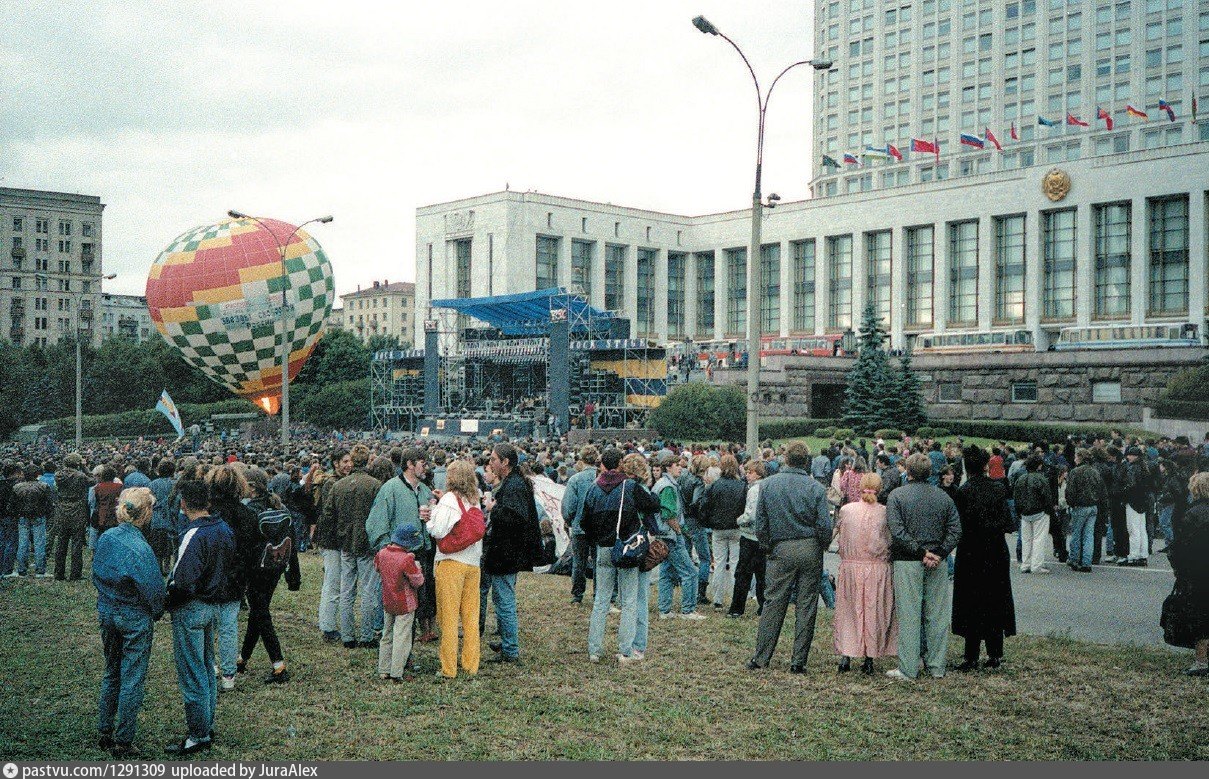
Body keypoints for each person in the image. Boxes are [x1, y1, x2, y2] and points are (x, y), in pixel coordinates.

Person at [92, 487, 166, 759]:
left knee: (112, 670)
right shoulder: (141, 548)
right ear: (146, 514)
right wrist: (156, 611)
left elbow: (96, 572)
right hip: (133, 615)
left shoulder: (107, 537)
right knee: (132, 677)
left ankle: (104, 730)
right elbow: (154, 591)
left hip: (108, 610)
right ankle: (123, 740)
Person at [746, 441, 832, 673]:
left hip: (780, 548)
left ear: (785, 459)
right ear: (806, 462)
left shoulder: (769, 485)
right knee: (806, 604)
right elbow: (825, 524)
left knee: (774, 602)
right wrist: (822, 545)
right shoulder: (814, 487)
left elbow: (761, 522)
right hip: (809, 547)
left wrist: (767, 546)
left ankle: (761, 657)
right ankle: (798, 661)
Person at [164, 476, 234, 756]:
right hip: (213, 604)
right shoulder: (223, 528)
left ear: (183, 503)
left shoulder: (194, 534)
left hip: (192, 606)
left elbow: (182, 580)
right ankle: (206, 724)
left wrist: (166, 602)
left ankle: (198, 733)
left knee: (193, 673)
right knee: (206, 668)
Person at [580, 447, 661, 663]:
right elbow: (654, 505)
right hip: (627, 547)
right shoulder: (630, 486)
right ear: (620, 465)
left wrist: (596, 538)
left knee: (601, 600)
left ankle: (594, 650)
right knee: (629, 600)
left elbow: (583, 522)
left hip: (603, 548)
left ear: (603, 465)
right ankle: (625, 649)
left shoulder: (593, 488)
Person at [885, 453, 962, 681]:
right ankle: (937, 665)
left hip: (908, 560)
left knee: (909, 614)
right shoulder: (943, 497)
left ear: (907, 472)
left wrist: (921, 552)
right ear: (930, 473)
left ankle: (908, 667)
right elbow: (955, 530)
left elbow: (897, 532)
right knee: (936, 615)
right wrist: (937, 552)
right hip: (936, 561)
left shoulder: (897, 496)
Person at [951, 446, 1016, 671]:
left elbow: (957, 525)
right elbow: (1009, 523)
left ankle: (971, 654)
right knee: (994, 599)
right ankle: (995, 653)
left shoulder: (963, 492)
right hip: (995, 550)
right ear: (986, 465)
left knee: (971, 600)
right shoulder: (998, 490)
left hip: (970, 551)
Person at [481, 443, 543, 664]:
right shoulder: (514, 482)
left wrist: (493, 509)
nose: (490, 464)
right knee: (502, 598)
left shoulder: (514, 485)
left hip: (506, 552)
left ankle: (510, 649)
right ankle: (508, 641)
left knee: (504, 600)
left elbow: (516, 518)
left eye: (494, 460)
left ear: (505, 462)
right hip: (507, 551)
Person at [238, 467, 301, 684]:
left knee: (261, 615)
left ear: (252, 487)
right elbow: (291, 541)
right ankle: (243, 658)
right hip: (275, 567)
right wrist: (294, 572)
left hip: (255, 570)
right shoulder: (279, 507)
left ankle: (278, 665)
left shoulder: (249, 512)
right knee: (258, 613)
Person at [367, 446, 435, 642]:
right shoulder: (390, 488)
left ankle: (406, 652)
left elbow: (431, 521)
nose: (426, 468)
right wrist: (389, 550)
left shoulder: (424, 490)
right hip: (398, 556)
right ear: (410, 465)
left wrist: (431, 516)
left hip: (420, 554)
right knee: (399, 608)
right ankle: (397, 656)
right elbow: (376, 522)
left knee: (416, 605)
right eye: (423, 464)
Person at [832, 471, 896, 675]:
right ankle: (869, 657)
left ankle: (846, 656)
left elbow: (838, 537)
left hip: (852, 567)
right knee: (873, 610)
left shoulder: (846, 510)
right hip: (876, 568)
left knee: (849, 610)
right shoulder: (885, 512)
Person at [427, 459, 484, 679]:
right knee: (470, 617)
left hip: (451, 563)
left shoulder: (449, 500)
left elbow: (438, 530)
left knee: (448, 617)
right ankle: (471, 664)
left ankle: (448, 667)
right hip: (472, 563)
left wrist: (430, 518)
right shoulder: (474, 499)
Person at [323, 444, 383, 649]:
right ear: (367, 461)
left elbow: (329, 514)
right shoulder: (375, 485)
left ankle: (348, 635)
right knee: (368, 591)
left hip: (346, 543)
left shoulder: (338, 486)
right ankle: (366, 635)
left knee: (347, 591)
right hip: (366, 544)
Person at [205, 464, 256, 691]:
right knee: (228, 625)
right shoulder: (247, 514)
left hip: (209, 575)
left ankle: (212, 666)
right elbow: (250, 550)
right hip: (235, 575)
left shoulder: (207, 513)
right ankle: (228, 674)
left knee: (208, 625)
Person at [1164, 473, 1209, 676]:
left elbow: (1181, 546)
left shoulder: (1194, 513)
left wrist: (1178, 568)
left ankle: (1201, 662)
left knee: (1200, 617)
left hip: (1198, 571)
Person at [652, 452, 704, 621]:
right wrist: (679, 531)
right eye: (678, 465)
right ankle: (688, 610)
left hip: (662, 535)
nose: (681, 468)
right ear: (669, 467)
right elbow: (668, 514)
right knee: (690, 572)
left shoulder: (662, 483)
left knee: (666, 573)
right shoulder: (668, 486)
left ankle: (664, 610)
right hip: (671, 535)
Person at [374, 525, 426, 681]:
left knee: (387, 634)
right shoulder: (407, 559)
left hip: (388, 600)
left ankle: (383, 669)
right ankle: (397, 671)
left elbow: (377, 568)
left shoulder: (381, 553)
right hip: (405, 603)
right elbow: (418, 582)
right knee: (401, 637)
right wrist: (419, 569)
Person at [698, 454, 746, 611]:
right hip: (736, 527)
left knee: (718, 563)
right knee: (734, 564)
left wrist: (708, 523)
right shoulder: (742, 486)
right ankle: (734, 597)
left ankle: (717, 598)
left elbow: (704, 507)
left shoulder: (714, 486)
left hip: (718, 528)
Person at [314, 448, 351, 643]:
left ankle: (328, 623)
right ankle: (328, 626)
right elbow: (331, 514)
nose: (348, 465)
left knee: (336, 582)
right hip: (331, 540)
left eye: (350, 461)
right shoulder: (331, 483)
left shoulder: (338, 482)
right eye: (344, 461)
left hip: (336, 539)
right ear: (336, 463)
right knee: (333, 582)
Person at [561, 445, 600, 605]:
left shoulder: (575, 480)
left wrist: (568, 520)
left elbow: (569, 506)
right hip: (598, 526)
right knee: (599, 562)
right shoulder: (601, 478)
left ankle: (578, 594)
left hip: (579, 526)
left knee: (579, 562)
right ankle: (599, 593)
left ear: (581, 460)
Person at [728, 459, 767, 618]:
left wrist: (738, 520)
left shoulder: (754, 490)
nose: (747, 475)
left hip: (750, 535)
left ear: (757, 474)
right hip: (763, 537)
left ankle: (737, 608)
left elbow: (750, 515)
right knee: (762, 574)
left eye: (750, 472)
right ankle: (763, 606)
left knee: (743, 573)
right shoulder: (767, 487)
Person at [1065, 449, 1107, 573]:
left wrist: (1071, 503)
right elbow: (1102, 491)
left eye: (1076, 457)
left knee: (1076, 533)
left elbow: (1070, 491)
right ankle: (1087, 562)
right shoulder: (1095, 472)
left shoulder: (1075, 472)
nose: (1074, 459)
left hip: (1080, 505)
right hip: (1093, 506)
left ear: (1080, 458)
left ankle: (1074, 559)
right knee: (1089, 535)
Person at [53, 452, 92, 581]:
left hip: (62, 508)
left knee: (61, 543)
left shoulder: (58, 475)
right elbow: (93, 480)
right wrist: (85, 467)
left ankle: (59, 573)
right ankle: (75, 574)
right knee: (77, 543)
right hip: (77, 509)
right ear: (77, 463)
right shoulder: (81, 476)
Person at [10, 464, 54, 578]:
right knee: (39, 544)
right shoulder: (43, 486)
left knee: (23, 543)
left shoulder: (17, 487)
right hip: (39, 516)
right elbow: (49, 503)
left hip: (23, 517)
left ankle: (21, 570)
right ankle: (40, 570)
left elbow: (12, 505)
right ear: (37, 474)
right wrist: (47, 514)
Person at [1013, 455, 1053, 574]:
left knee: (1026, 539)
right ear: (1039, 466)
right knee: (1039, 539)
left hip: (1024, 513)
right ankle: (1036, 565)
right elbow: (1047, 497)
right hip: (1040, 512)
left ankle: (1025, 564)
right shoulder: (1041, 479)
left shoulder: (1020, 479)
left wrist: (1019, 512)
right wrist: (1049, 511)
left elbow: (1016, 497)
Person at [147, 459, 178, 575]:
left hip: (157, 518)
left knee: (157, 546)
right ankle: (167, 565)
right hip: (172, 518)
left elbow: (150, 501)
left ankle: (159, 566)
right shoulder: (175, 484)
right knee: (170, 546)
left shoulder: (152, 484)